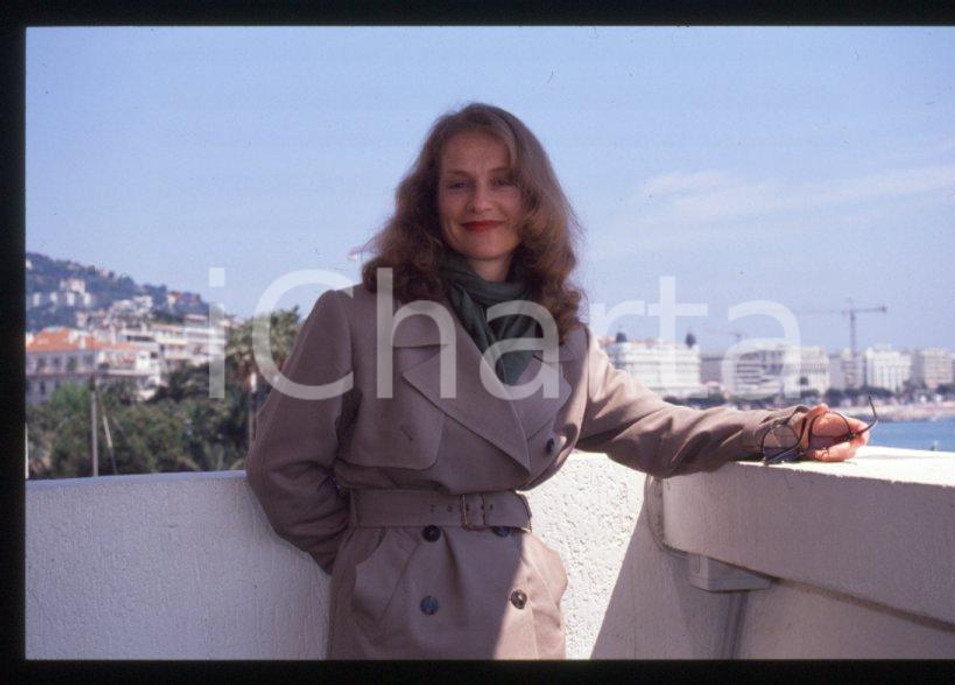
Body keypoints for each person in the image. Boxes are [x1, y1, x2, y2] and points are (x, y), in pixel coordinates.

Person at [245, 102, 869, 660]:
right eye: (458, 184)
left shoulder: (566, 341)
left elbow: (658, 427)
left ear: (533, 201)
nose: (480, 203)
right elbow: (281, 467)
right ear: (429, 203)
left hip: (518, 611)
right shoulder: (355, 317)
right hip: (397, 618)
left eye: (503, 182)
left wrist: (785, 431)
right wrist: (374, 564)